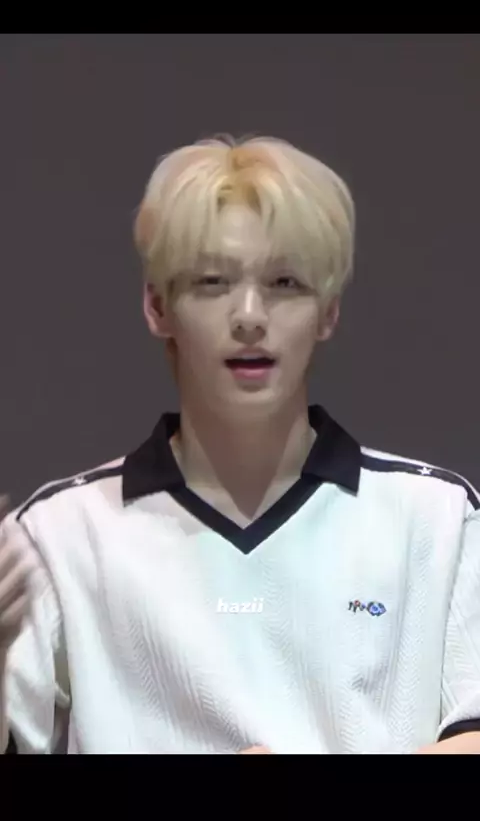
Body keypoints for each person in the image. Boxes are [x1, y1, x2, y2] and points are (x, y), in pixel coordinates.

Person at [1, 135, 480, 755]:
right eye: (212, 282)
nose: (250, 315)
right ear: (158, 306)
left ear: (328, 311)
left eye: (284, 282)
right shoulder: (57, 536)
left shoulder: (439, 519)